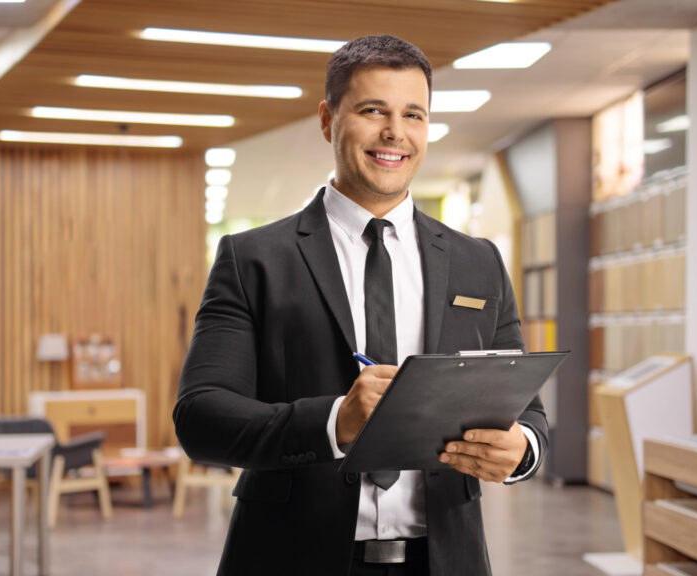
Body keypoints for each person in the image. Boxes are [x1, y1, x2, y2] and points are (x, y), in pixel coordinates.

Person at [174, 34, 547, 576]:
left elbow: (524, 405)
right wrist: (335, 421)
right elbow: (201, 417)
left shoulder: (478, 262)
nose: (395, 132)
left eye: (413, 115)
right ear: (328, 120)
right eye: (374, 110)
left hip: (444, 561)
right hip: (289, 558)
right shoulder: (252, 258)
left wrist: (523, 451)